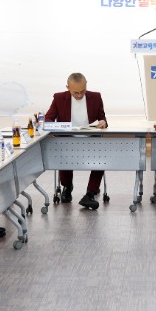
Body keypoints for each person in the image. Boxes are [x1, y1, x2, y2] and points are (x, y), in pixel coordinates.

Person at [44, 73, 107, 210]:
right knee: (63, 154)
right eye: (75, 92)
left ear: (86, 85)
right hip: (67, 140)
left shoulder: (96, 97)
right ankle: (67, 187)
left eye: (82, 91)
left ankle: (90, 194)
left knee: (101, 157)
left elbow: (103, 119)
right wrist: (55, 128)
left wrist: (103, 122)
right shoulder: (59, 98)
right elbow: (48, 119)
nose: (79, 95)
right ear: (68, 88)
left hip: (91, 140)